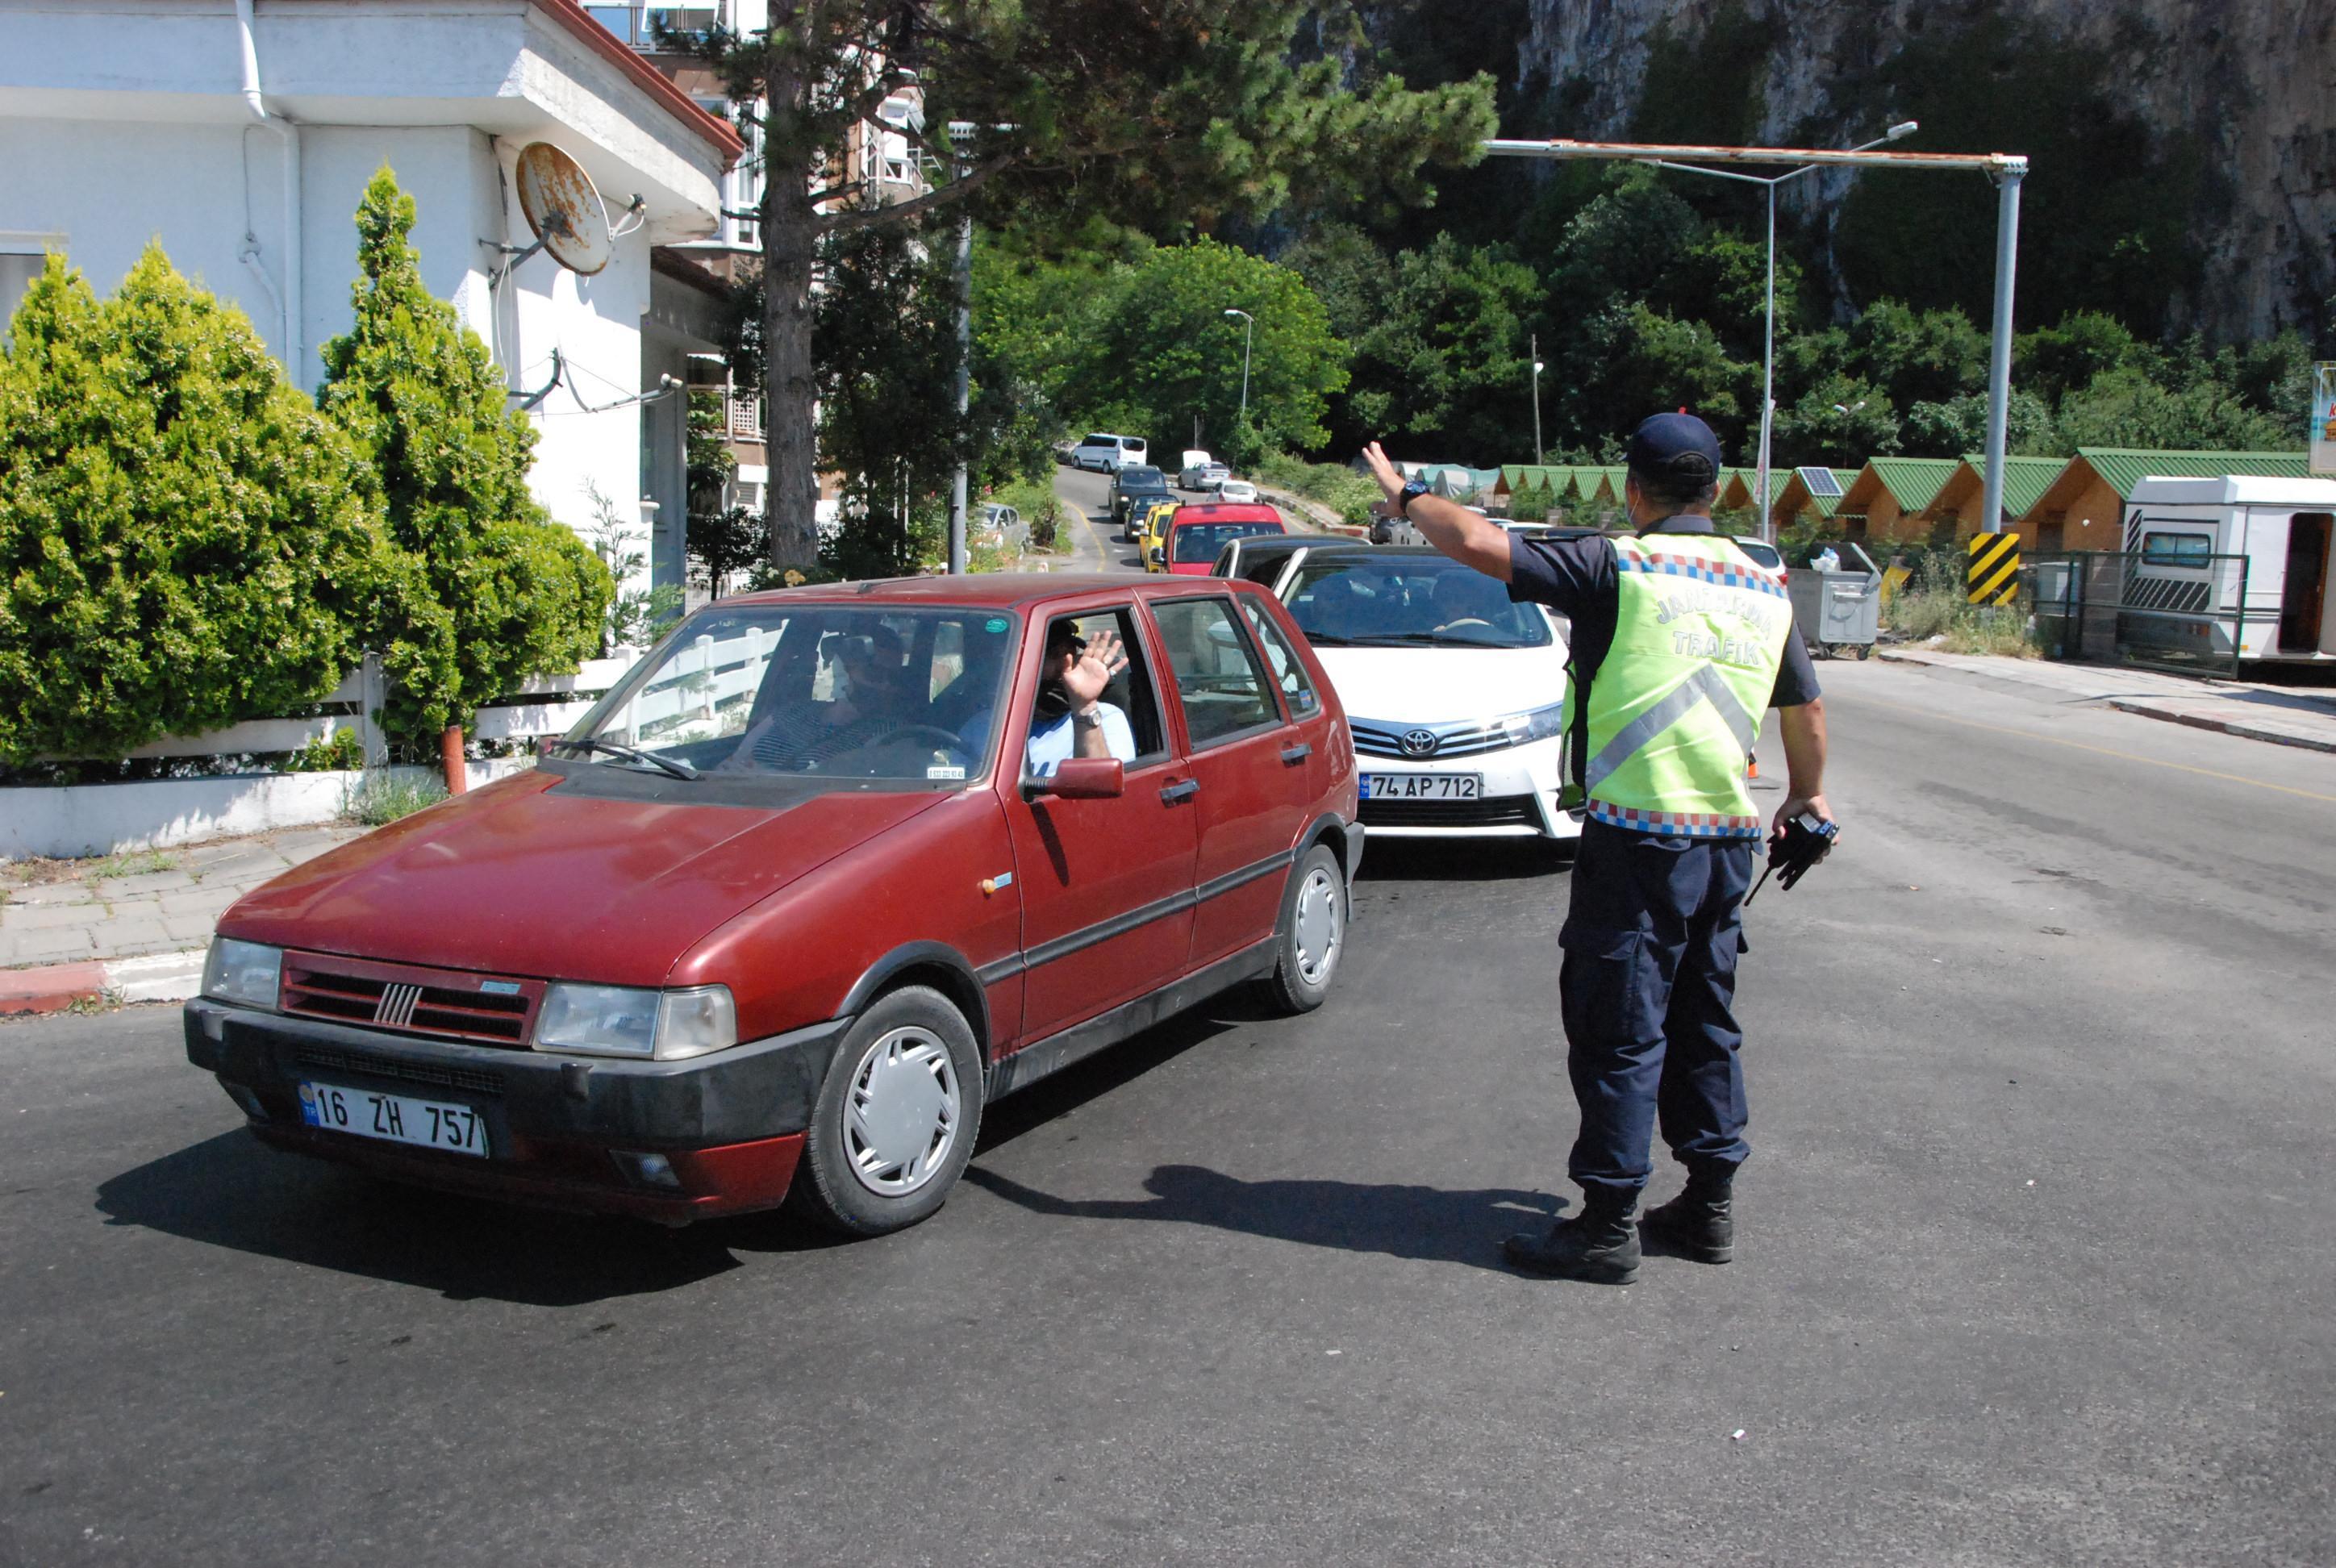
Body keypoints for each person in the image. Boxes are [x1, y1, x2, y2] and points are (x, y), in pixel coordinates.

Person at [1362, 413, 1833, 1285]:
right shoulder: (1763, 582)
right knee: (1705, 1022)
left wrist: (1406, 495)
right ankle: (1708, 1206)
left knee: (1619, 1028)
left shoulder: (1617, 564)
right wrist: (1806, 795)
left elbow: (1477, 541)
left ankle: (1608, 1223)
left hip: (1638, 838)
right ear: (1717, 489)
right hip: (1727, 843)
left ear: (1632, 489)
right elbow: (1803, 708)